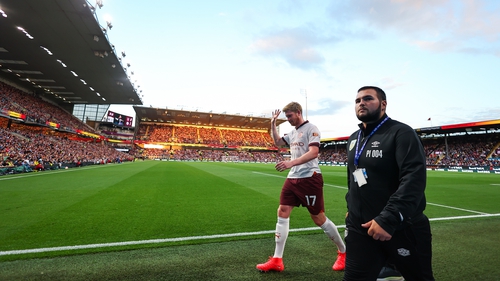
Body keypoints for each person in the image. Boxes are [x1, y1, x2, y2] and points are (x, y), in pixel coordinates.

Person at [344, 86, 434, 281]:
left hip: (401, 228)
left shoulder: (401, 133)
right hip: (362, 229)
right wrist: (352, 206)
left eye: (368, 99)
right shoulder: (354, 139)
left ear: (383, 104)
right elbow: (353, 177)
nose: (361, 103)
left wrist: (388, 219)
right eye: (358, 100)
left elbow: (413, 179)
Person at [256, 102, 346, 272]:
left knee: (318, 218)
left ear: (298, 112)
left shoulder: (312, 128)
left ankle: (343, 252)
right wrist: (272, 124)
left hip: (309, 178)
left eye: (290, 116)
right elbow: (277, 142)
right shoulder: (292, 132)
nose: (288, 119)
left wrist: (291, 162)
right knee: (282, 211)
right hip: (293, 178)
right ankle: (277, 260)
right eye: (286, 117)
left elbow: (313, 153)